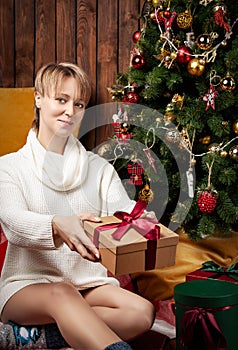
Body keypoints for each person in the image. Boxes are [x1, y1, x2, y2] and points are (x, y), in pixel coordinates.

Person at [0, 62, 156, 350]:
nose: (70, 111)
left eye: (79, 103)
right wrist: (57, 225)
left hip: (87, 285)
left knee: (141, 312)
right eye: (61, 99)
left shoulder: (99, 169)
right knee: (62, 293)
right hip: (26, 288)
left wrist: (138, 220)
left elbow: (120, 212)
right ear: (38, 98)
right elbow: (13, 223)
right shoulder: (9, 167)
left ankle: (35, 338)